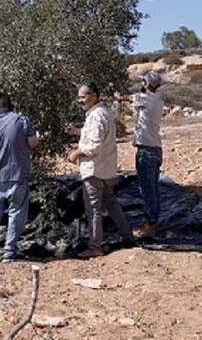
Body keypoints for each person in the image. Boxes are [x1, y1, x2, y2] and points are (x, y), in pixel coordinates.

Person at [66, 82, 134, 258]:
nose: (79, 100)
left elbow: (95, 145)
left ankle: (95, 246)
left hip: (95, 169)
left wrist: (76, 153)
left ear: (94, 96)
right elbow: (96, 135)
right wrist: (78, 132)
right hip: (107, 169)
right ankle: (127, 236)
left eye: (82, 97)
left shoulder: (96, 115)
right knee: (111, 202)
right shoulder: (102, 113)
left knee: (93, 209)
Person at [0, 93, 39, 262]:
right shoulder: (21, 120)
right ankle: (9, 252)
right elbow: (33, 143)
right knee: (15, 214)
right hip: (17, 176)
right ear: (11, 106)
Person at [113, 71, 164, 238]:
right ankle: (153, 222)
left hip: (146, 150)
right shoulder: (156, 100)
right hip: (156, 149)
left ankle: (150, 225)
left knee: (147, 190)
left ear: (147, 84)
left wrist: (113, 88)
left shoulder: (144, 98)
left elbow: (121, 97)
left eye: (143, 81)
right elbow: (130, 95)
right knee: (153, 189)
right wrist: (119, 83)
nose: (142, 83)